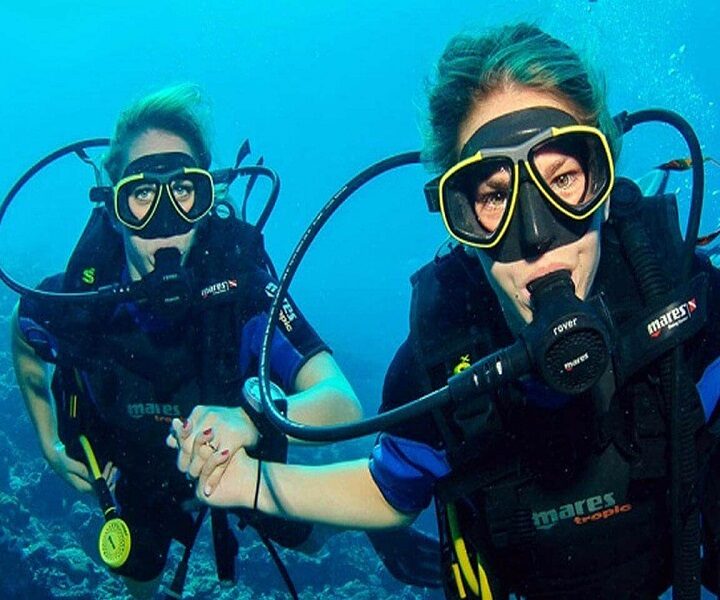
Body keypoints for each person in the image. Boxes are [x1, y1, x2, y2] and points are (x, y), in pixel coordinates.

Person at [172, 23, 720, 599]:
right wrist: (249, 481)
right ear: (459, 217)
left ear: (603, 182)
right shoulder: (442, 357)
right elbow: (390, 490)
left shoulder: (681, 302)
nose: (536, 235)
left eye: (563, 178)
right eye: (493, 197)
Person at [10, 83, 368, 599]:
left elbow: (341, 401)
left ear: (208, 200)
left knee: (313, 540)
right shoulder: (82, 302)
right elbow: (23, 331)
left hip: (239, 462)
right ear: (114, 209)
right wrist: (48, 443)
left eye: (183, 191)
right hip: (135, 474)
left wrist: (250, 420)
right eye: (140, 195)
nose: (163, 222)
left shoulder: (241, 295)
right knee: (138, 578)